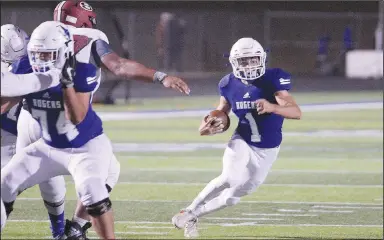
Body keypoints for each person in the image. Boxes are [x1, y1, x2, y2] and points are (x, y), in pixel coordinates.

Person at [171, 37, 302, 238]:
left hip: (268, 148)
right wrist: (206, 126)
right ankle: (189, 210)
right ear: (234, 62)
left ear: (262, 59)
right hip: (242, 139)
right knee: (229, 177)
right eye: (244, 61)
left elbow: (295, 111)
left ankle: (194, 215)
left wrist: (273, 107)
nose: (249, 65)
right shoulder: (228, 83)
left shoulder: (273, 79)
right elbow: (220, 112)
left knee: (233, 197)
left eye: (253, 60)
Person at [1, 21, 118, 239]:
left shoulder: (82, 69)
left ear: (63, 51)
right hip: (48, 145)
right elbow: (5, 103)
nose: (39, 61)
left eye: (46, 55)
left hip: (85, 146)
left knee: (93, 190)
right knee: (4, 183)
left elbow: (76, 117)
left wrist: (67, 84)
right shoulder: (25, 68)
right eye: (35, 54)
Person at [0, 24, 68, 238]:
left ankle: (59, 231)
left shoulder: (25, 68)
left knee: (47, 180)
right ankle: (58, 230)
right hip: (14, 134)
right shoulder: (26, 66)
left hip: (20, 135)